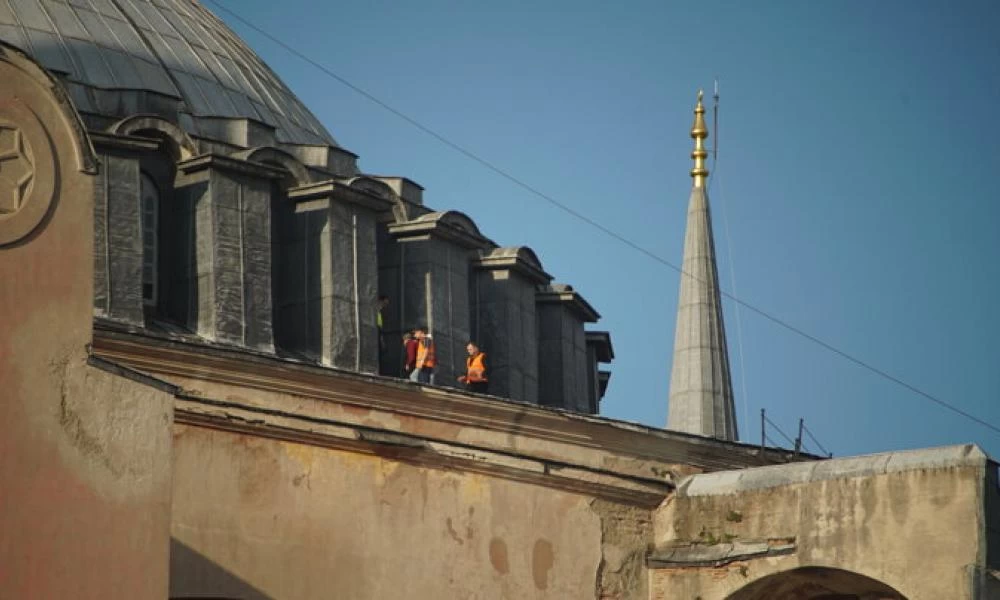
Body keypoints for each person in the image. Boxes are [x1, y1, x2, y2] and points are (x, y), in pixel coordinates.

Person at [376, 295, 389, 371]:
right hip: (377, 332)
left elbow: (380, 325)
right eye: (384, 303)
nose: (385, 306)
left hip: (379, 331)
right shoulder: (376, 311)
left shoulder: (379, 312)